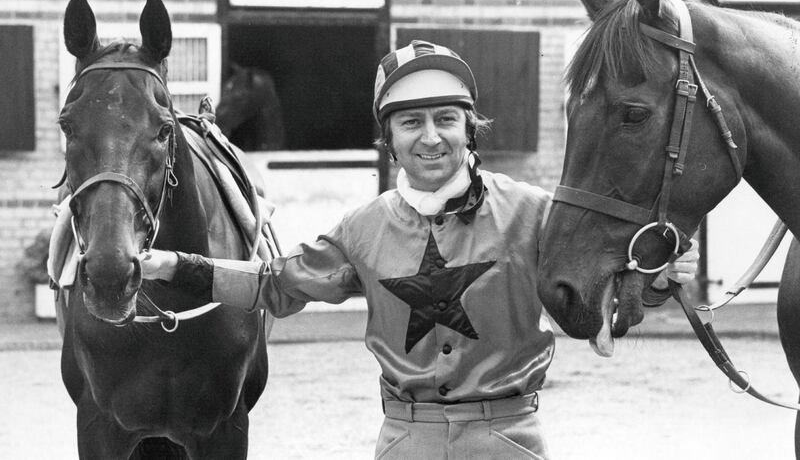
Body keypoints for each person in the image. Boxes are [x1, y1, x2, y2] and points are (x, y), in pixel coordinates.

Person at [141, 40, 699, 459]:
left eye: (446, 120)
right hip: (405, 440)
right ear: (389, 139)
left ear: (469, 129)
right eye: (410, 122)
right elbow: (276, 286)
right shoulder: (362, 228)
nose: (430, 137)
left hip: (509, 438)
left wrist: (646, 282)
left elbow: (592, 297)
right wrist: (179, 266)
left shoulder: (534, 212)